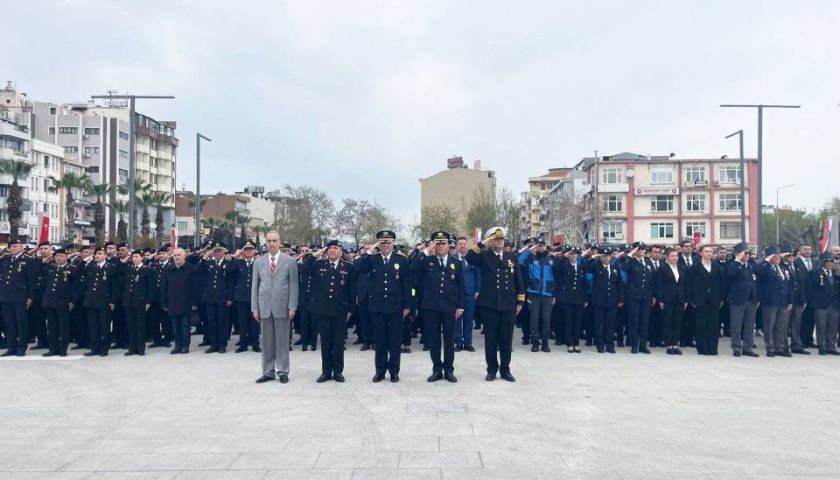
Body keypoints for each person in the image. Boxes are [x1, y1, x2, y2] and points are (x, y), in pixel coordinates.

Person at [466, 227, 524, 382]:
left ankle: (505, 370)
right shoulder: (484, 255)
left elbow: (518, 279)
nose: (500, 241)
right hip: (489, 304)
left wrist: (520, 301)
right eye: (496, 239)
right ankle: (492, 369)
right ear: (490, 241)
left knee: (506, 339)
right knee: (491, 339)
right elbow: (469, 257)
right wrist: (482, 243)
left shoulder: (511, 257)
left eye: (502, 238)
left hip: (508, 304)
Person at [354, 230, 413, 383]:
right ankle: (380, 371)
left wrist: (407, 305)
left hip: (396, 307)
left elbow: (407, 283)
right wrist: (368, 251)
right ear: (379, 244)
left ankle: (394, 371)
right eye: (382, 242)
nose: (385, 245)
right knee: (379, 341)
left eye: (388, 242)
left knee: (394, 341)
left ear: (393, 243)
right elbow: (357, 267)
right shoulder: (372, 259)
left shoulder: (401, 260)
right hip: (377, 307)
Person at [411, 231, 465, 383]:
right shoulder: (427, 261)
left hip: (449, 307)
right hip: (431, 307)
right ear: (434, 245)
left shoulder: (456, 263)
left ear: (449, 246)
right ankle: (436, 369)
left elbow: (461, 287)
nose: (441, 246)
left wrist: (460, 306)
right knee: (434, 340)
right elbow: (412, 268)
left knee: (449, 340)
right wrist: (426, 251)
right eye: (438, 243)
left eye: (444, 243)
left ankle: (449, 370)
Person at [302, 240, 355, 383]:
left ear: (340, 251)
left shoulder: (348, 267)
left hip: (340, 310)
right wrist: (315, 254)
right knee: (325, 342)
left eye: (335, 248)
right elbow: (303, 269)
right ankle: (326, 371)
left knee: (338, 343)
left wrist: (350, 309)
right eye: (330, 248)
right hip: (323, 310)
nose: (332, 250)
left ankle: (338, 371)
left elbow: (352, 290)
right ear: (326, 251)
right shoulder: (319, 264)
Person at [253, 231, 299, 384]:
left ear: (279, 242)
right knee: (266, 342)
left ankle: (283, 370)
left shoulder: (290, 261)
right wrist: (255, 307)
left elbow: (294, 286)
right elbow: (255, 286)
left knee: (282, 340)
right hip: (264, 306)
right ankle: (268, 371)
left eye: (274, 240)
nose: (271, 243)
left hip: (282, 306)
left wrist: (292, 306)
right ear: (265, 243)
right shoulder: (258, 262)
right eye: (269, 241)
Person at [518, 239, 556, 353]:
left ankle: (545, 343)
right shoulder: (530, 259)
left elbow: (556, 278)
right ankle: (535, 342)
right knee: (534, 319)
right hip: (534, 293)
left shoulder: (551, 260)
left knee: (546, 320)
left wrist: (554, 295)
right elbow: (519, 261)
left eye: (543, 245)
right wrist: (528, 250)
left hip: (547, 294)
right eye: (539, 246)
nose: (541, 248)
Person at [40, 247, 80, 357]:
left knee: (63, 327)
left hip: (64, 302)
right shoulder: (50, 268)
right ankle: (53, 348)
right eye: (57, 256)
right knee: (52, 327)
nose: (59, 258)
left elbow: (75, 287)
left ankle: (63, 349)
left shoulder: (72, 269)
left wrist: (72, 301)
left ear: (67, 257)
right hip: (50, 301)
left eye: (61, 256)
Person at [585, 246, 624, 354]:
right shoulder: (595, 266)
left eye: (608, 256)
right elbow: (586, 267)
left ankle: (610, 344)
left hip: (612, 300)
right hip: (598, 300)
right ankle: (600, 344)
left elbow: (620, 284)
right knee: (599, 323)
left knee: (610, 324)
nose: (607, 258)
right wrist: (593, 257)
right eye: (604, 256)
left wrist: (620, 299)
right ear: (600, 257)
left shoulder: (615, 267)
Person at [197, 242, 234, 354]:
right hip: (209, 297)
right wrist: (205, 256)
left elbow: (231, 282)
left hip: (222, 297)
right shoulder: (209, 263)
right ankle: (214, 344)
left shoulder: (228, 264)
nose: (217, 253)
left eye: (219, 251)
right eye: (215, 251)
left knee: (222, 322)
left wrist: (229, 298)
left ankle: (222, 345)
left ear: (223, 252)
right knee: (211, 322)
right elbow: (197, 270)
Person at [621, 242, 656, 354]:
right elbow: (624, 268)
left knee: (645, 321)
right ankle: (634, 344)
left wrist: (653, 295)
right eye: (639, 249)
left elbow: (651, 281)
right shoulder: (631, 261)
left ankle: (643, 345)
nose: (641, 251)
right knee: (634, 321)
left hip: (646, 296)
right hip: (633, 296)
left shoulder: (647, 262)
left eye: (643, 249)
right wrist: (630, 254)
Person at [757, 246, 792, 357]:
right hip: (770, 302)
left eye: (778, 256)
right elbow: (758, 270)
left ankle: (779, 348)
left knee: (781, 326)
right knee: (769, 326)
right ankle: (770, 348)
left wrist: (790, 301)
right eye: (774, 256)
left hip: (783, 302)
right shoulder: (765, 268)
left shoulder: (783, 268)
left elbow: (788, 285)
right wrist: (766, 260)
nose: (777, 258)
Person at [688, 245, 723, 355]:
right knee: (701, 324)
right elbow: (690, 284)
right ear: (701, 253)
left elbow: (721, 284)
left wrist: (721, 298)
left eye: (711, 251)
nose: (709, 253)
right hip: (700, 299)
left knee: (713, 324)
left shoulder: (717, 267)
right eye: (706, 251)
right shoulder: (695, 267)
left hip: (714, 299)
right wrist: (692, 299)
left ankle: (713, 348)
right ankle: (702, 348)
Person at [82, 246, 116, 357]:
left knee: (104, 326)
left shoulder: (111, 267)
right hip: (91, 301)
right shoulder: (90, 267)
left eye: (100, 253)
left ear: (106, 256)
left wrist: (112, 301)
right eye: (96, 254)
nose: (97, 255)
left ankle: (104, 348)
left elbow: (114, 286)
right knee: (93, 326)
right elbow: (80, 274)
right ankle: (94, 347)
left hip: (104, 302)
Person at [161, 248, 196, 354]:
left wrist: (194, 303)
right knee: (175, 327)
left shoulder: (191, 269)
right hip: (172, 303)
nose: (177, 257)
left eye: (179, 255)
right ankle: (177, 345)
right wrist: (164, 303)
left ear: (184, 256)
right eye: (175, 255)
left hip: (186, 302)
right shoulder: (168, 269)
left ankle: (185, 346)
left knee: (185, 326)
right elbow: (164, 287)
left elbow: (195, 287)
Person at [655, 247, 688, 355]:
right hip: (667, 299)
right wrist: (660, 299)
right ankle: (669, 345)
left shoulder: (682, 268)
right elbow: (659, 285)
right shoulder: (662, 269)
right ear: (667, 257)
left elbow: (685, 285)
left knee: (678, 321)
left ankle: (676, 344)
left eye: (676, 256)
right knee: (668, 321)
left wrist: (686, 299)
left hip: (680, 299)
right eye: (672, 256)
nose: (675, 258)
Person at [231, 241, 260, 353]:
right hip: (241, 297)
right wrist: (235, 256)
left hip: (255, 297)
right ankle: (243, 344)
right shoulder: (238, 263)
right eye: (246, 249)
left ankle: (255, 344)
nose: (248, 251)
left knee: (255, 322)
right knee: (242, 322)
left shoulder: (258, 263)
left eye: (251, 249)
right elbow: (229, 269)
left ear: (254, 251)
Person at [810, 253, 840, 356]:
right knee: (821, 326)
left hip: (834, 304)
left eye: (831, 261)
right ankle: (822, 346)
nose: (830, 263)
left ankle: (831, 346)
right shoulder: (816, 272)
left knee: (833, 326)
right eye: (827, 261)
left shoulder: (835, 274)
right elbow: (813, 287)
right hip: (821, 304)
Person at [123, 250, 151, 356]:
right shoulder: (129, 268)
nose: (134, 258)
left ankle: (140, 348)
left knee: (140, 326)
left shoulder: (146, 269)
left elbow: (150, 287)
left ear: (142, 257)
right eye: (133, 257)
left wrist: (148, 301)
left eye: (137, 256)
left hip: (140, 301)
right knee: (131, 325)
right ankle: (131, 348)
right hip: (129, 301)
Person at [454, 237, 479, 352]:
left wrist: (477, 290)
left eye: (464, 243)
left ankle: (468, 343)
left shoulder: (472, 259)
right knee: (457, 318)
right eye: (460, 244)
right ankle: (458, 342)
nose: (462, 245)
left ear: (467, 245)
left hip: (470, 293)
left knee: (469, 319)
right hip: (457, 294)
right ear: (457, 246)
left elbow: (478, 275)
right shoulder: (452, 259)